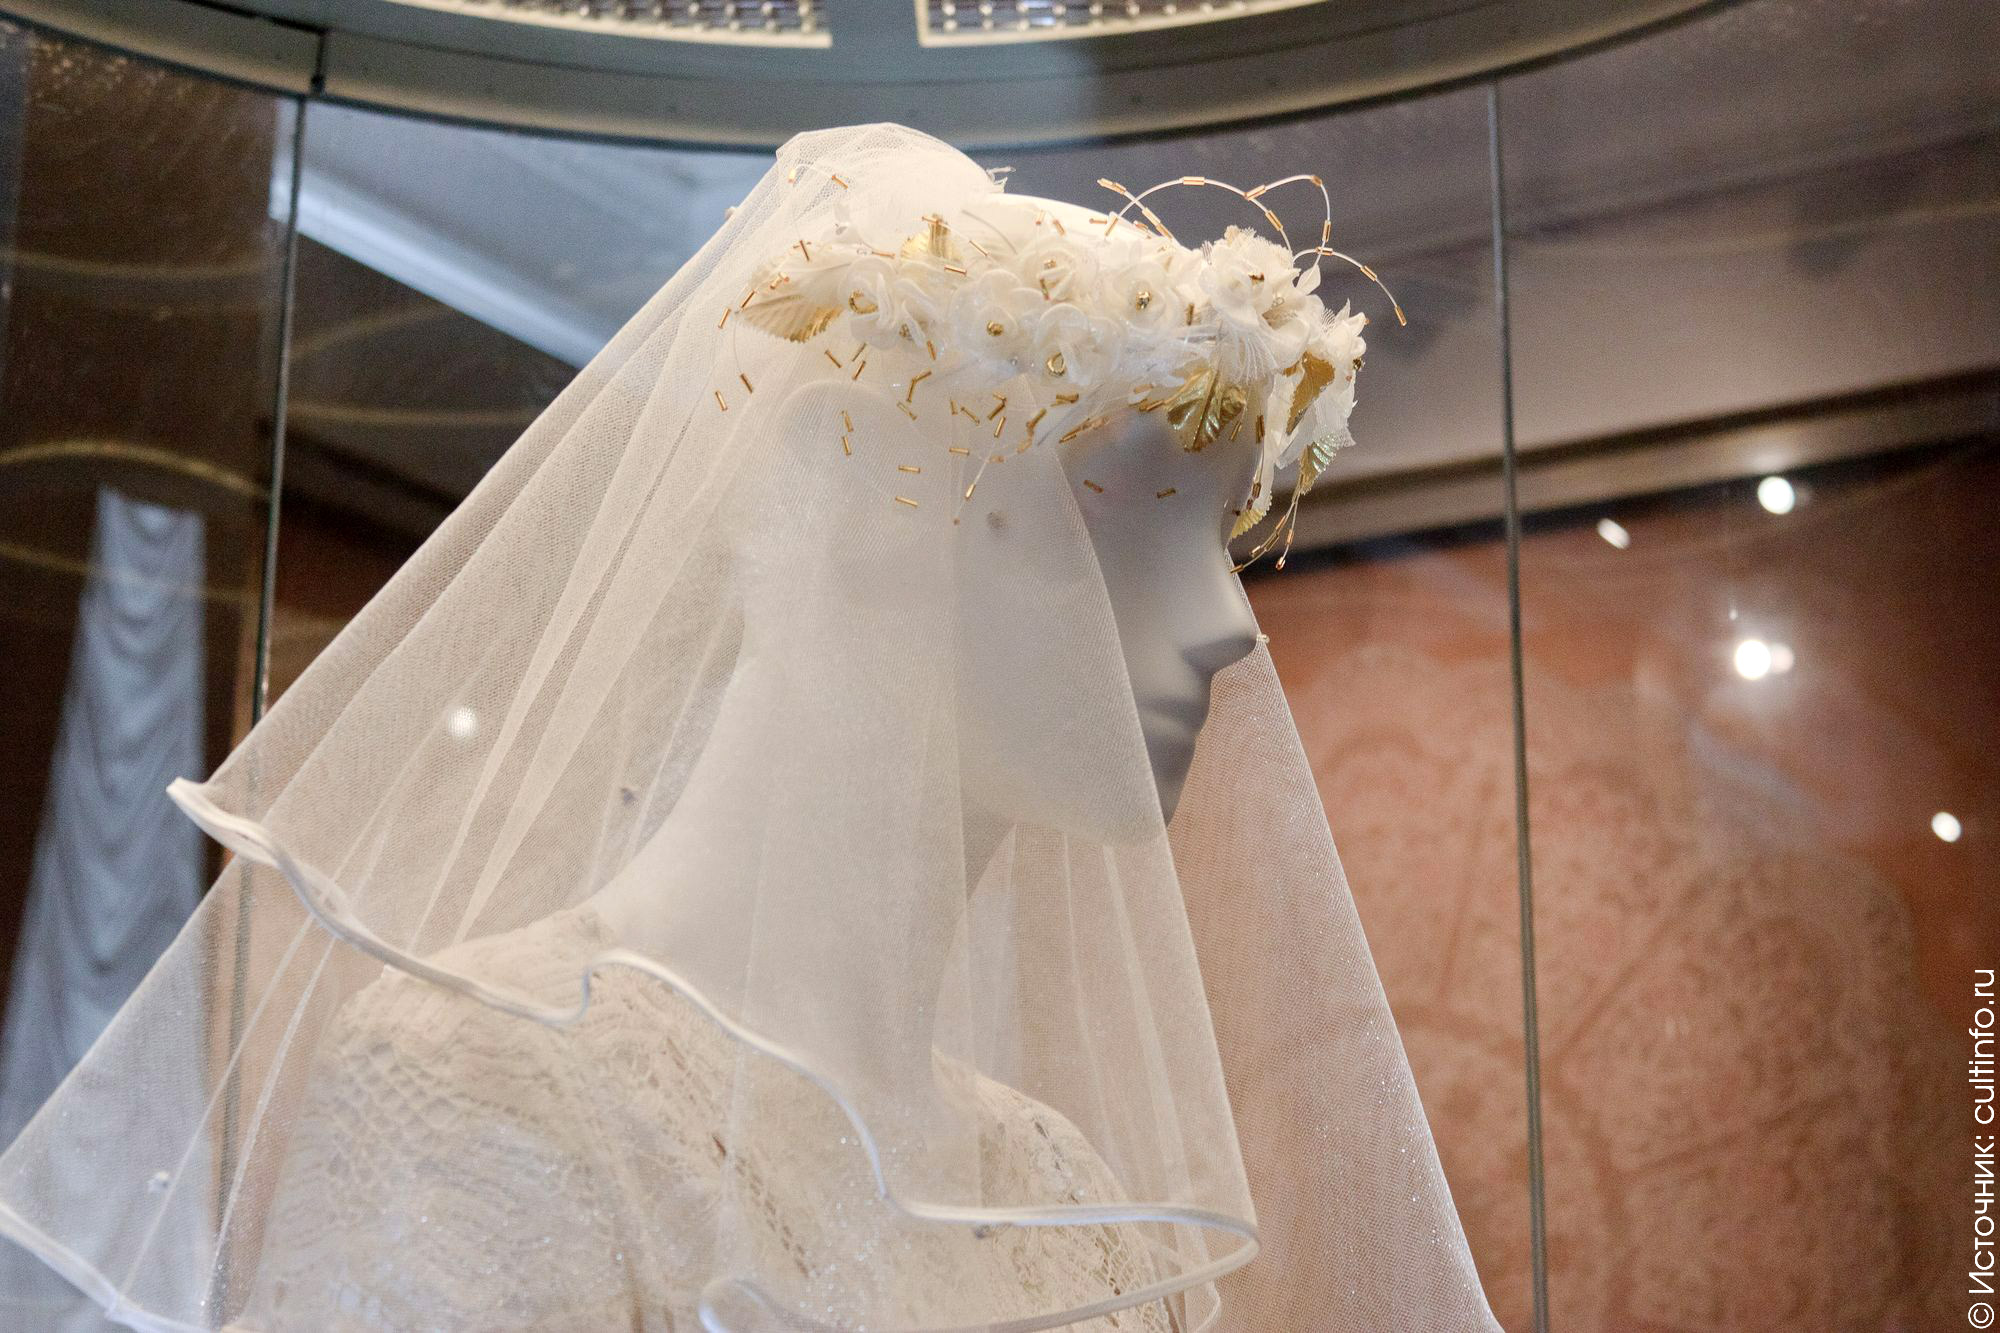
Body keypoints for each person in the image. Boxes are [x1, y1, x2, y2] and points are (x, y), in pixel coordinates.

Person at [0, 122, 1498, 1332]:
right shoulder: (489, 1088)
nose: (1229, 625)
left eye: (1221, 541)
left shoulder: (1061, 1192)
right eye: (1134, 516)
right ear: (870, 520)